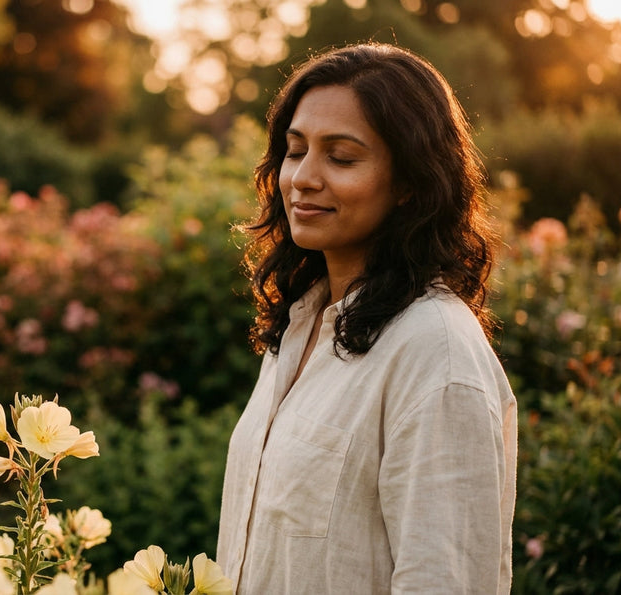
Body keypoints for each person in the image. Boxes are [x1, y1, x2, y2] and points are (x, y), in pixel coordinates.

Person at [216, 42, 517, 593]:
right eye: (295, 149)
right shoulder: (302, 323)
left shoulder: (435, 352)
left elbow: (444, 580)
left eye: (342, 157)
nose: (302, 178)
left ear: (409, 183)